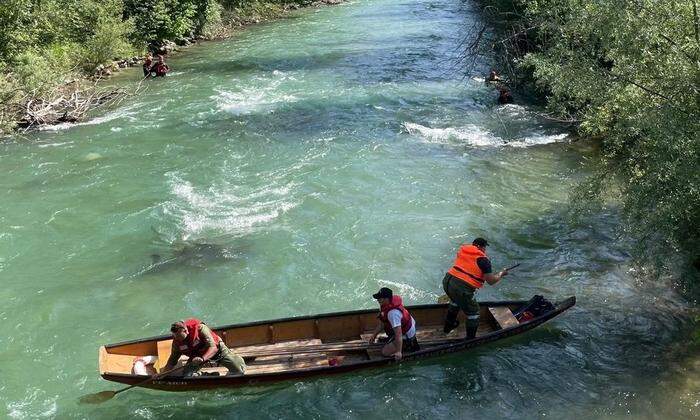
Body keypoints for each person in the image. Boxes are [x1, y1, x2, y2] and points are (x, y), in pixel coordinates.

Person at [442, 238, 510, 339]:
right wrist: (501, 274)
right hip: (461, 287)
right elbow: (491, 281)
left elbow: (468, 266)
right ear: (479, 246)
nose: (484, 250)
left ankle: (448, 328)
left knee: (455, 301)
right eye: (484, 247)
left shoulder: (463, 250)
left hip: (447, 281)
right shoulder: (483, 260)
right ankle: (470, 339)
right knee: (474, 313)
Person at [162, 318, 246, 377]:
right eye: (176, 337)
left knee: (239, 370)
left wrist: (202, 358)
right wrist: (162, 374)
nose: (178, 339)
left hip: (216, 350)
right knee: (188, 375)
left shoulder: (200, 328)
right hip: (197, 356)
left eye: (180, 337)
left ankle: (238, 360)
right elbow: (172, 361)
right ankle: (209, 376)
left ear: (186, 331)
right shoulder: (176, 342)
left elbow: (213, 347)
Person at [367, 287, 419, 360]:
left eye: (380, 298)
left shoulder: (393, 313)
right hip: (402, 327)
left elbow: (399, 334)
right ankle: (392, 340)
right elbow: (382, 323)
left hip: (407, 333)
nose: (378, 300)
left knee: (385, 352)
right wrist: (374, 335)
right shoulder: (385, 305)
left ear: (387, 299)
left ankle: (407, 344)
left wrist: (398, 352)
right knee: (389, 329)